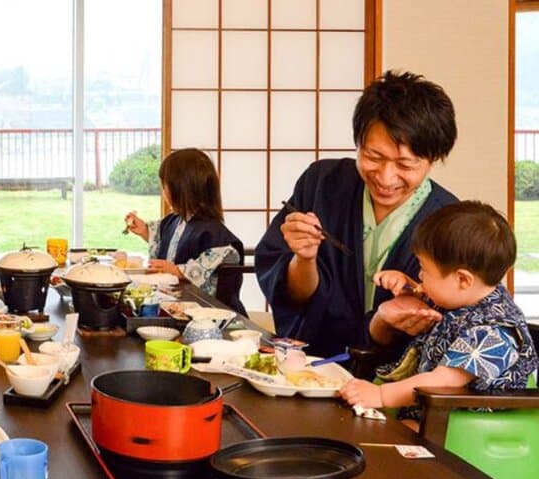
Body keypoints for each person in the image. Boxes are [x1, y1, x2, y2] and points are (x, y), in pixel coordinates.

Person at [254, 70, 460, 359]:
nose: (386, 178)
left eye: (406, 164)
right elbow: (295, 298)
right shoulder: (322, 183)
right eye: (373, 157)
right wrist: (305, 258)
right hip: (313, 365)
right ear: (358, 142)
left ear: (434, 159)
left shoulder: (450, 221)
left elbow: (450, 320)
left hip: (396, 383)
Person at [339, 201, 538, 418]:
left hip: (463, 428)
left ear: (462, 279)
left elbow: (443, 381)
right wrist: (411, 287)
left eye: (423, 269)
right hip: (433, 415)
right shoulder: (471, 294)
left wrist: (380, 395)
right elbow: (447, 298)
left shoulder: (492, 332)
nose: (420, 275)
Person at [124, 148, 247, 313]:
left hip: (211, 315)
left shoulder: (214, 233)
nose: (164, 191)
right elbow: (164, 240)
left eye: (165, 185)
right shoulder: (174, 220)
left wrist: (178, 271)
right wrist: (145, 231)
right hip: (176, 309)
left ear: (180, 188)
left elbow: (211, 266)